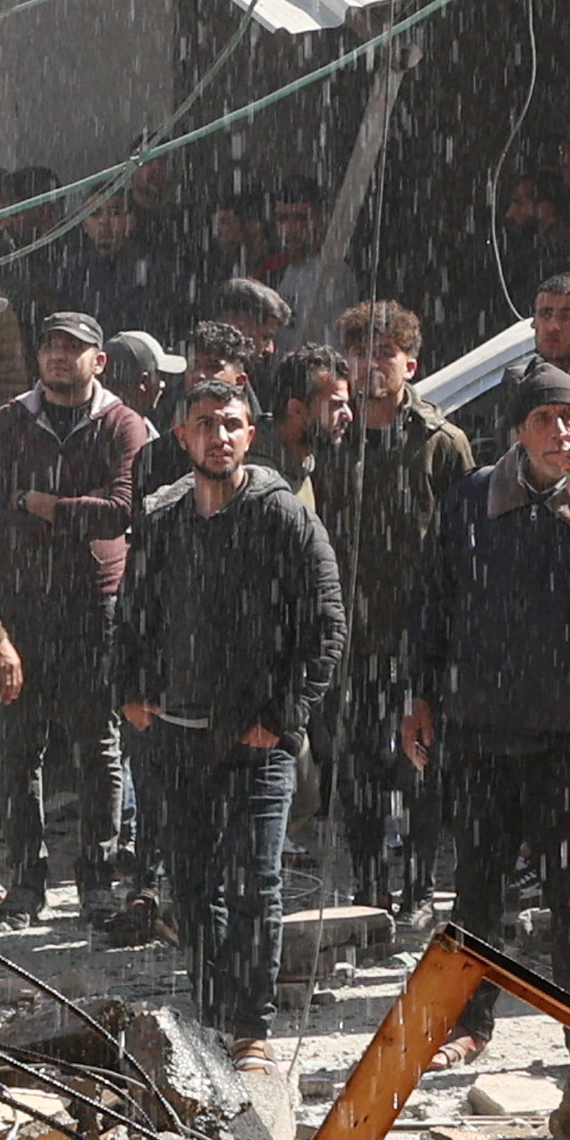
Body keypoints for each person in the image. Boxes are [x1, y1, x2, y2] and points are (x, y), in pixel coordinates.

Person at [404, 377, 570, 1034]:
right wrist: (421, 694)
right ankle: (468, 1024)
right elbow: (432, 603)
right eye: (543, 418)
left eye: (568, 418)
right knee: (478, 892)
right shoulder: (470, 500)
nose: (558, 432)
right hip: (482, 730)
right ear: (521, 431)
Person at [108, 376, 346, 1055]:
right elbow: (133, 615)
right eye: (205, 424)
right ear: (182, 434)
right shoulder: (162, 516)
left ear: (251, 433)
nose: (219, 436)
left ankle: (252, 1028)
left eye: (232, 424)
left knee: (254, 885)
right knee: (191, 886)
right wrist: (129, 689)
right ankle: (212, 1019)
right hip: (175, 737)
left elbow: (326, 625)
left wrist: (283, 714)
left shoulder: (283, 515)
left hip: (256, 739)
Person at [0, 307, 151, 925]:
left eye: (71, 348)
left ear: (98, 360)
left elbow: (121, 511)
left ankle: (97, 879)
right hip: (20, 601)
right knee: (18, 747)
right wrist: (61, 512)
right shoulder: (7, 423)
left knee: (97, 742)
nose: (56, 356)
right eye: (48, 345)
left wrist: (42, 504)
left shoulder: (122, 425)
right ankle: (26, 881)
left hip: (95, 604)